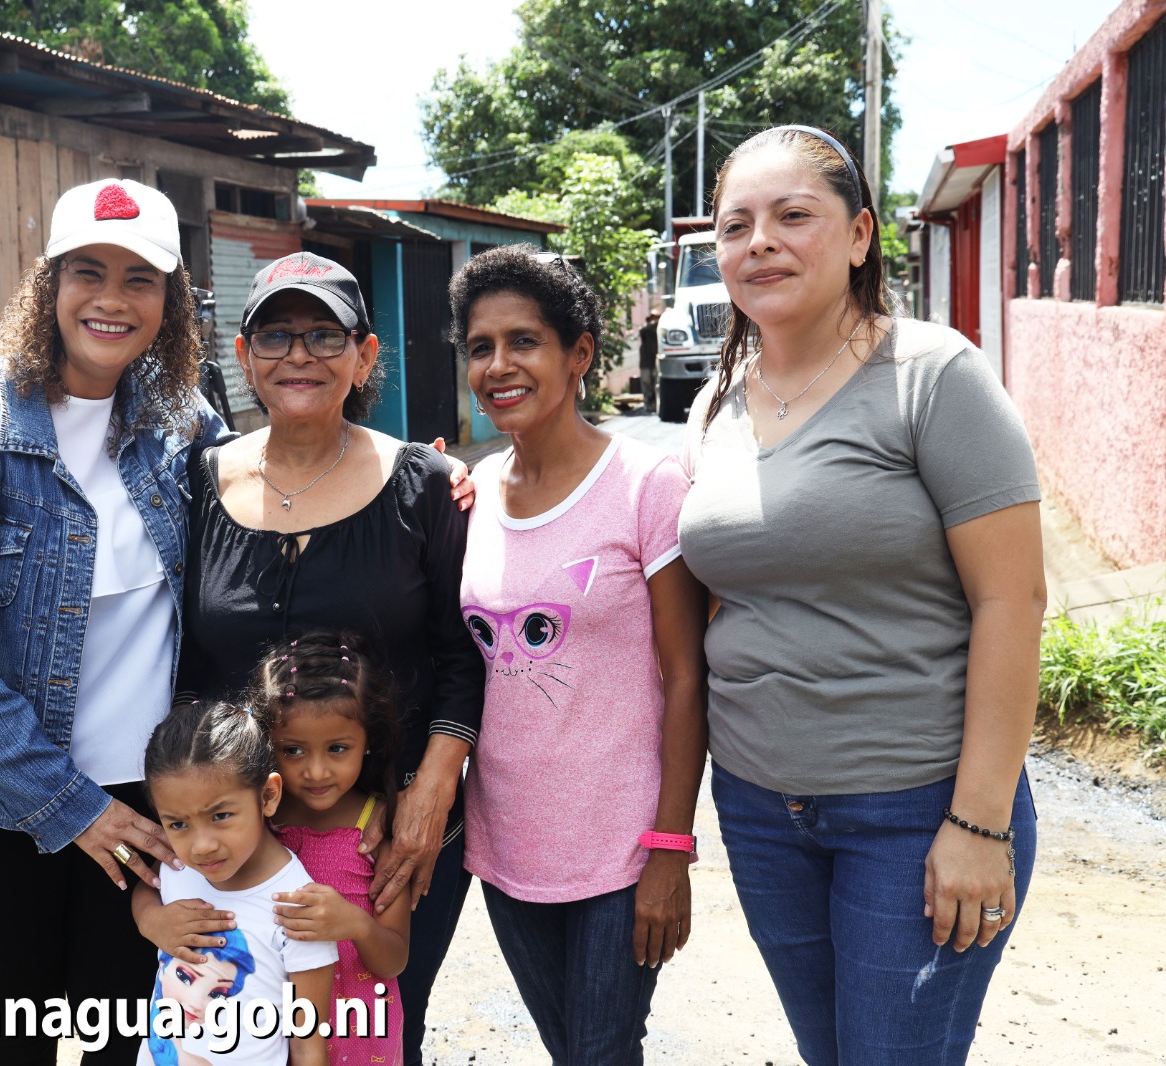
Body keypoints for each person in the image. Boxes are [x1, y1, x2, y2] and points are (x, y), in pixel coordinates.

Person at [678, 125, 1043, 1065]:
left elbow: (1013, 602)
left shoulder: (932, 375)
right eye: (735, 225)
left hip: (915, 809)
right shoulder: (715, 402)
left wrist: (978, 821)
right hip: (761, 808)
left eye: (793, 215)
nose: (759, 242)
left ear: (859, 236)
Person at [0, 177, 232, 1065]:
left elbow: (286, 498)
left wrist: (430, 480)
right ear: (49, 284)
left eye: (141, 278)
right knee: (11, 1045)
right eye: (88, 272)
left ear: (170, 301)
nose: (112, 298)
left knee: (118, 1042)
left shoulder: (186, 426)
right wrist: (68, 807)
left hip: (135, 808)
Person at [156, 251, 486, 1066]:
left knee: (370, 1030)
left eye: (323, 334)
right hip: (233, 839)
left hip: (385, 835)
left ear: (365, 355)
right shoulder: (195, 483)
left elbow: (463, 651)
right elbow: (185, 662)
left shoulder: (426, 484)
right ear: (242, 356)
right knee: (234, 1036)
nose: (298, 355)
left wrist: (430, 793)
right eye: (275, 336)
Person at [449, 247, 708, 1064]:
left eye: (524, 341)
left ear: (580, 354)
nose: (499, 366)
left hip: (621, 846)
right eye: (480, 347)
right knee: (570, 1049)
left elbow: (687, 676)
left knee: (601, 1051)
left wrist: (671, 848)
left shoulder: (645, 484)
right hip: (507, 840)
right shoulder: (473, 494)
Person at [139, 700, 337, 1066]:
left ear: (267, 795)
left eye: (221, 815)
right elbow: (149, 886)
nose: (201, 846)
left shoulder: (298, 907)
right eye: (178, 824)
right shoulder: (178, 865)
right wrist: (151, 920)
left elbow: (307, 1044)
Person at [256, 631, 411, 1066]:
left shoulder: (378, 830)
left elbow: (394, 959)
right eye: (293, 750)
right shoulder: (256, 820)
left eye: (338, 749)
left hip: (359, 1032)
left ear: (368, 742)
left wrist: (355, 924)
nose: (316, 770)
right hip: (267, 1026)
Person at [638, 310, 661, 409]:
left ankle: (656, 403)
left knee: (656, 383)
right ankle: (647, 403)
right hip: (646, 361)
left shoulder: (661, 329)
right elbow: (642, 330)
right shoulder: (646, 329)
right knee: (646, 382)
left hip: (656, 360)